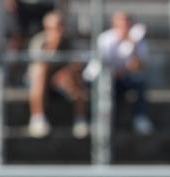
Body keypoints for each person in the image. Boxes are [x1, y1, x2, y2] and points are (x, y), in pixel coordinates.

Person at [26, 10, 88, 139]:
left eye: (61, 25)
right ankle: (38, 118)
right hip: (39, 81)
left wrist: (66, 72)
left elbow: (78, 64)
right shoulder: (39, 41)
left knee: (76, 75)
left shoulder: (70, 42)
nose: (59, 30)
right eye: (55, 27)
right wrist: (53, 45)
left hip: (63, 81)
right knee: (41, 73)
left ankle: (80, 119)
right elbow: (39, 66)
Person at [93, 11, 154, 135]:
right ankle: (101, 121)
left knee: (139, 82)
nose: (124, 26)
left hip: (123, 78)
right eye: (121, 23)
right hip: (101, 78)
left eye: (126, 23)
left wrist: (133, 46)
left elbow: (139, 67)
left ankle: (140, 119)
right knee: (105, 86)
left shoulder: (137, 42)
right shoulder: (105, 39)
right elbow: (103, 65)